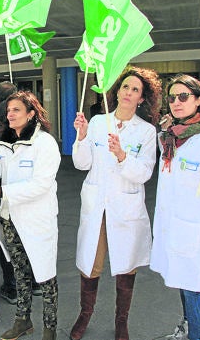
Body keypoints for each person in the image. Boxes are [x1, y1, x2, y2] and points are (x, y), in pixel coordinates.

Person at [71, 66, 161, 340]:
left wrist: (122, 156)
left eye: (135, 90)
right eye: (125, 87)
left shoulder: (146, 132)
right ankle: (84, 314)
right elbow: (81, 163)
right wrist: (82, 135)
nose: (129, 93)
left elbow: (144, 173)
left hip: (125, 208)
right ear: (117, 91)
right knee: (90, 264)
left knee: (126, 265)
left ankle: (121, 321)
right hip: (97, 205)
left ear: (141, 99)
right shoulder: (98, 122)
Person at [150, 74, 200, 340]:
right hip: (171, 223)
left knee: (194, 288)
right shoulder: (171, 137)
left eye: (183, 97)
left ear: (198, 100)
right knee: (181, 283)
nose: (176, 102)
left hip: (193, 226)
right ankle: (186, 329)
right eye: (172, 97)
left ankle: (196, 337)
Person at [0, 91, 61, 340]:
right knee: (20, 272)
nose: (10, 114)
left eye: (16, 110)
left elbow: (42, 184)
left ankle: (50, 328)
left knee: (45, 275)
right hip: (9, 219)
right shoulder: (6, 142)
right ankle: (23, 320)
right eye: (8, 110)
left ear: (31, 114)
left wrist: (3, 191)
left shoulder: (45, 143)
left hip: (36, 220)